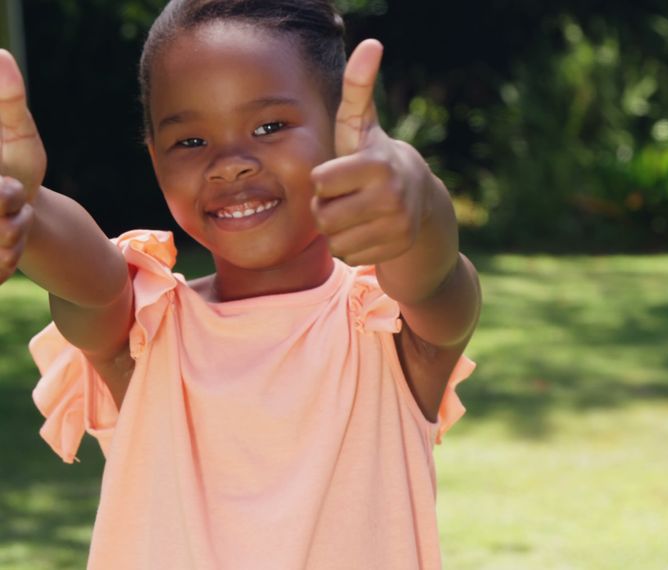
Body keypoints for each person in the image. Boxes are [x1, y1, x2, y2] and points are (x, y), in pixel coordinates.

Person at [0, 0, 481, 568]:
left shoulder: (389, 328)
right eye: (191, 141)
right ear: (155, 160)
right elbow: (90, 279)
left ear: (339, 134)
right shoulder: (146, 332)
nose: (230, 163)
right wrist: (25, 206)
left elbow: (434, 272)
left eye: (270, 126)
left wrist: (413, 188)